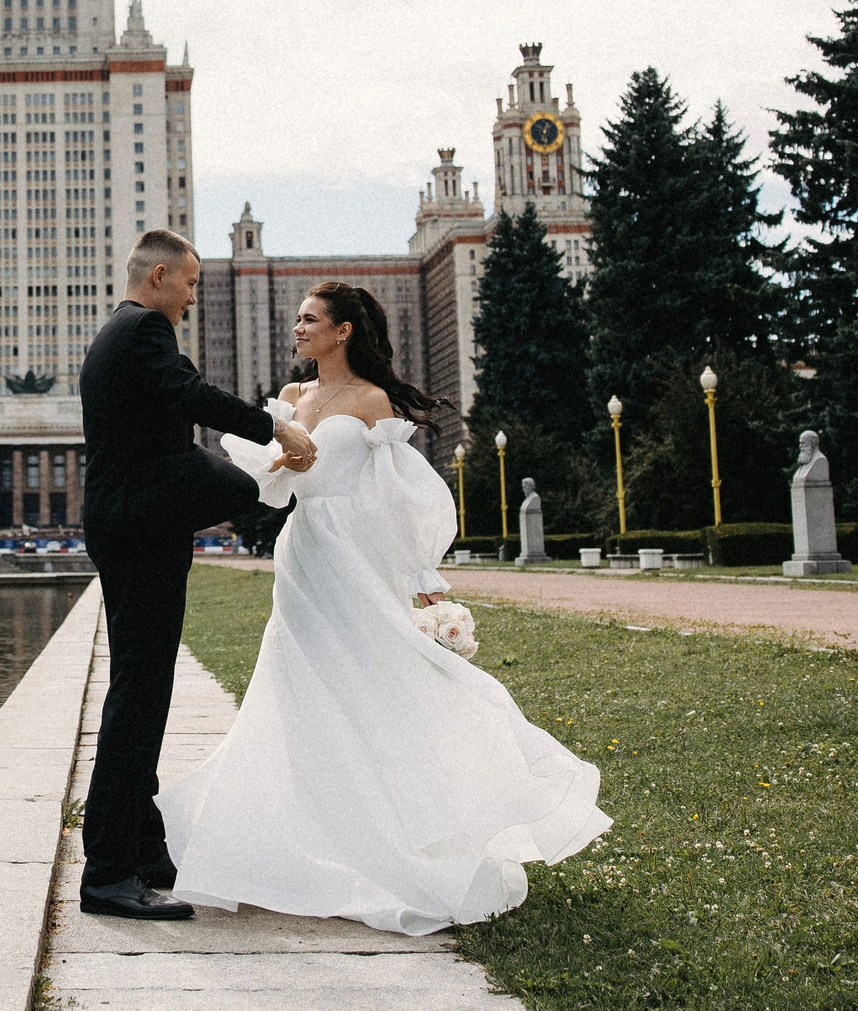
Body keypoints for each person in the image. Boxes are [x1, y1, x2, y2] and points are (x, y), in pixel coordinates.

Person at [156, 281, 610, 932]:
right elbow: (271, 490)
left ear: (343, 330)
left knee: (376, 678)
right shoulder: (290, 398)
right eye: (298, 319)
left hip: (354, 558)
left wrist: (424, 579)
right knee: (297, 691)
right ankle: (296, 834)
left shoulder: (371, 401)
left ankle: (422, 817)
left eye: (311, 319)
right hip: (303, 556)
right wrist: (281, 460)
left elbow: (399, 498)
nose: (298, 327)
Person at [76, 228, 318, 920]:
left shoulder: (112, 335)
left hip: (124, 526)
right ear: (156, 277)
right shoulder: (147, 329)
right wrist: (275, 429)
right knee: (138, 698)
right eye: (188, 281)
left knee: (140, 692)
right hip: (143, 530)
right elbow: (190, 395)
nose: (191, 296)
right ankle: (109, 872)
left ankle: (145, 851)